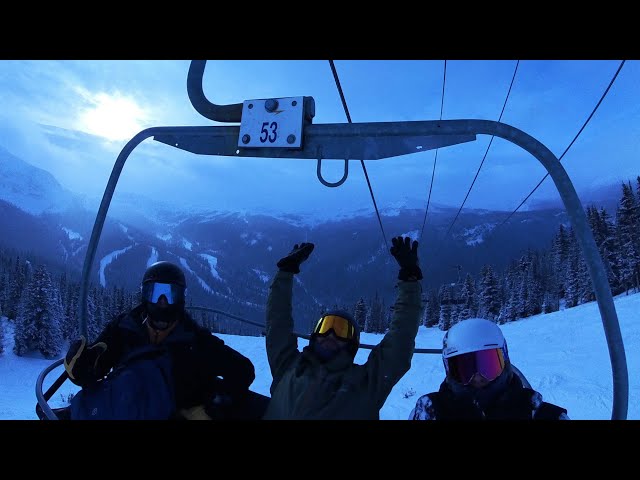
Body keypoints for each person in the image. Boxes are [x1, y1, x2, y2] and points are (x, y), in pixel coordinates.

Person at [62, 260, 258, 420]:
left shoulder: (197, 343)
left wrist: (214, 403)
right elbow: (96, 367)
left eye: (170, 294)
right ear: (145, 295)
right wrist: (81, 369)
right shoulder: (123, 329)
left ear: (181, 298)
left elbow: (243, 370)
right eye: (155, 293)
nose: (162, 302)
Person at [262, 236, 424, 420]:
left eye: (341, 330)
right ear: (315, 335)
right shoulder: (288, 365)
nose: (331, 334)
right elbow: (278, 322)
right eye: (326, 327)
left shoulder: (365, 384)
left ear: (352, 344)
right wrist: (285, 273)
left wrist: (410, 280)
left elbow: (400, 340)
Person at [408, 317, 569, 420]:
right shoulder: (431, 411)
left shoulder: (539, 413)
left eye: (488, 366)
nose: (477, 377)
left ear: (504, 362)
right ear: (449, 370)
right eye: (465, 370)